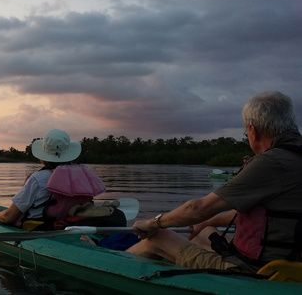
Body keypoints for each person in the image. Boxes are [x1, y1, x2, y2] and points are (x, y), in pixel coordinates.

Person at [127, 91, 302, 273]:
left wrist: (154, 223)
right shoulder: (295, 156)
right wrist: (207, 222)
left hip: (258, 271)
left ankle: (111, 269)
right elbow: (255, 213)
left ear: (252, 130)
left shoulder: (272, 162)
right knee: (205, 232)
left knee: (159, 237)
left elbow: (197, 209)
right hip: (289, 261)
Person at [0, 129, 108, 229]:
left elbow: (8, 217)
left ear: (44, 157)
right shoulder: (82, 176)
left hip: (39, 228)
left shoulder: (38, 178)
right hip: (67, 225)